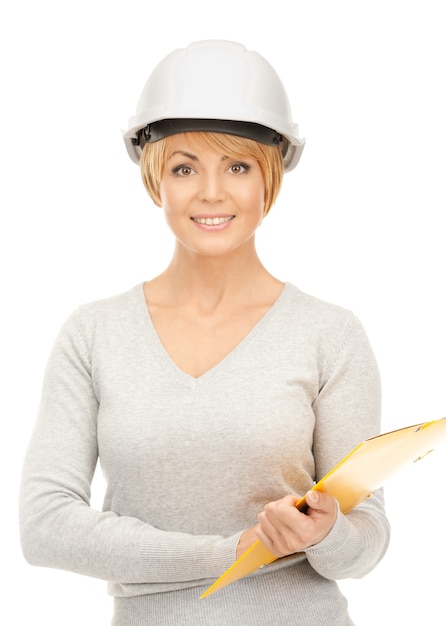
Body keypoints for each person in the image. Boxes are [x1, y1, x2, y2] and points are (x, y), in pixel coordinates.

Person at [19, 40, 390, 625]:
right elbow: (43, 526)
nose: (211, 192)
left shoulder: (330, 335)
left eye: (238, 166)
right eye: (184, 167)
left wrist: (326, 534)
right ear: (153, 179)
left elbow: (365, 543)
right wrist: (228, 554)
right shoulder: (93, 335)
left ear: (270, 177)